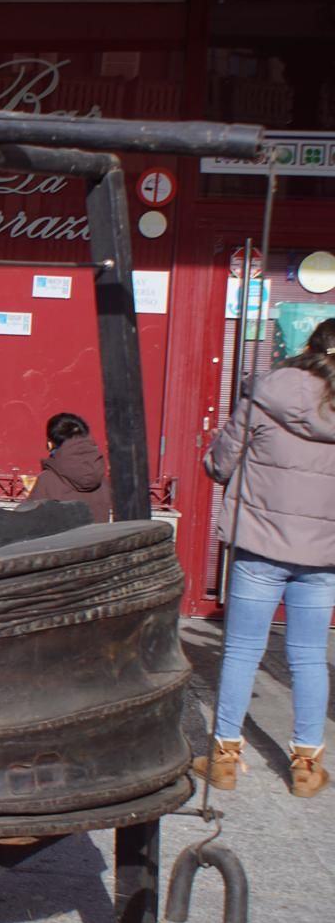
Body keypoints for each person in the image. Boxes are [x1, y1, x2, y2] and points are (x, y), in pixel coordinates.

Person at [194, 319, 335, 799]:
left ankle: (225, 759)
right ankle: (306, 766)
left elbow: (219, 464)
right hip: (323, 554)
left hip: (259, 545)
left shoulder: (265, 393)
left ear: (308, 346)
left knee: (241, 650)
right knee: (309, 656)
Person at [16, 411, 112, 522]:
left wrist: (30, 499)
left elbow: (24, 521)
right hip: (98, 533)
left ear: (50, 444)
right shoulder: (101, 479)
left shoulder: (47, 480)